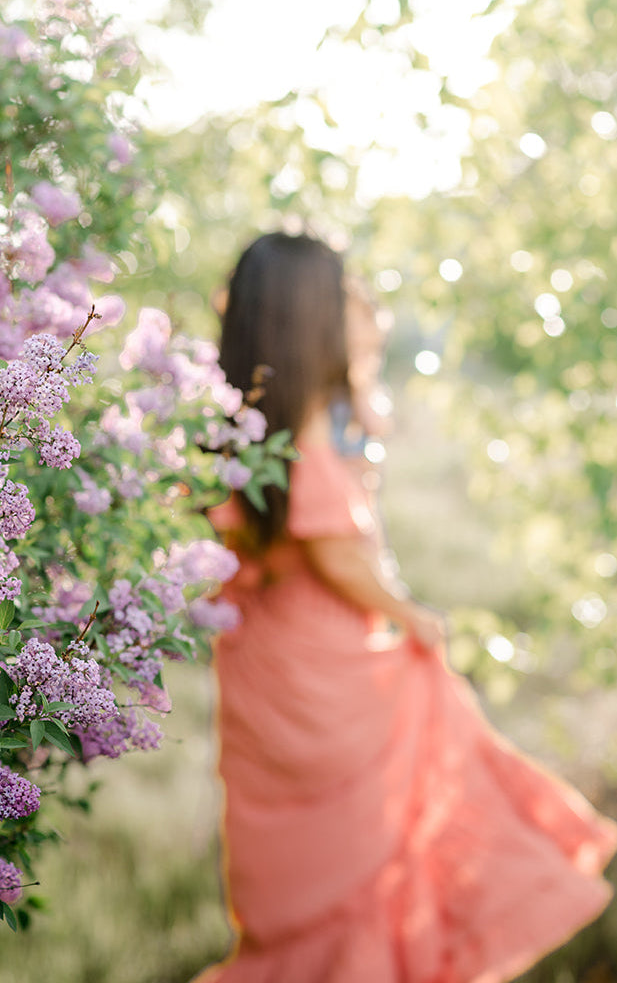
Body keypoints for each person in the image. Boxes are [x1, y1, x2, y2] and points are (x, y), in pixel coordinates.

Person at [194, 231, 617, 983]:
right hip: (329, 669)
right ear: (307, 315)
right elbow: (331, 547)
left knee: (315, 866)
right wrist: (411, 613)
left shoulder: (247, 418)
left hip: (267, 664)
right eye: (343, 294)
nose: (362, 306)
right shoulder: (304, 423)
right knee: (370, 850)